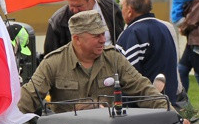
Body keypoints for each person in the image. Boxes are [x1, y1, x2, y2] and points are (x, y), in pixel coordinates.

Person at [19, 10, 166, 114]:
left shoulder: (114, 58)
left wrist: (172, 115)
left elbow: (143, 89)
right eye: (96, 36)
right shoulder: (53, 63)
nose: (103, 40)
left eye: (103, 34)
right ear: (77, 39)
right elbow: (29, 97)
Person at [116, 0, 178, 104]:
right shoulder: (164, 28)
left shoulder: (132, 34)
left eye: (122, 6)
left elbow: (127, 75)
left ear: (129, 10)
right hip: (168, 101)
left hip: (144, 108)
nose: (121, 10)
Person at [43, 0, 124, 55]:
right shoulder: (57, 22)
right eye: (71, 5)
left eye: (79, 6)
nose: (74, 10)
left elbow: (121, 35)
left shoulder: (110, 7)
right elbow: (51, 55)